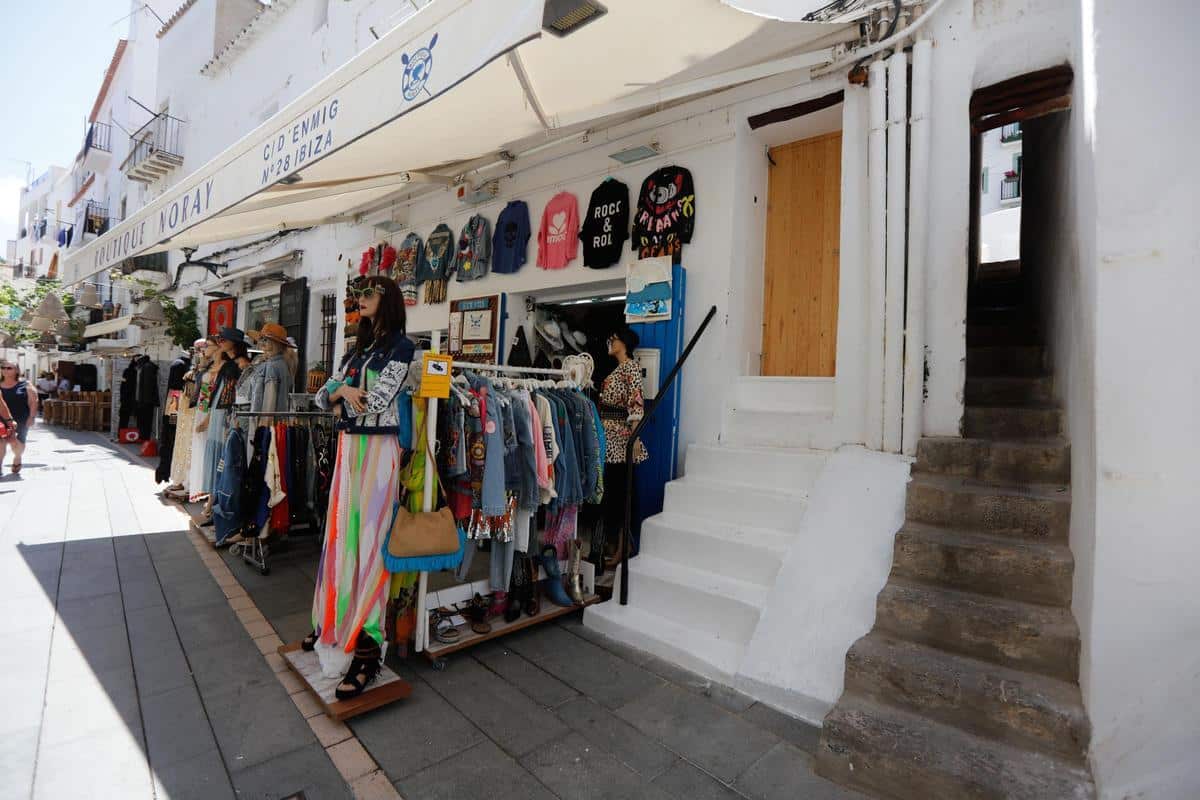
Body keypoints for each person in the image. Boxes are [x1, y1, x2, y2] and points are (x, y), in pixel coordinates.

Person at [306, 275, 415, 700]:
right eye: (359, 295)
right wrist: (342, 389)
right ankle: (336, 620)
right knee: (341, 536)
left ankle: (367, 644)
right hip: (350, 448)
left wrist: (344, 391)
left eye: (368, 294)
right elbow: (322, 398)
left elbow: (378, 401)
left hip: (377, 450)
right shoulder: (358, 350)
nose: (361, 301)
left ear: (386, 300)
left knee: (368, 541)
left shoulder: (402, 349)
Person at [598, 326, 648, 567]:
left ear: (623, 343)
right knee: (614, 493)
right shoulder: (618, 369)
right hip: (609, 436)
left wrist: (635, 439)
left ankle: (623, 546)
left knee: (621, 494)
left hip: (620, 439)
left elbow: (636, 404)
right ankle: (619, 544)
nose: (610, 341)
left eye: (613, 338)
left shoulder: (631, 368)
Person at [0, 361, 37, 474]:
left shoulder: (25, 384)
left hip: (20, 418)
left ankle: (17, 457)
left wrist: (32, 417)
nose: (5, 370)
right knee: (1, 441)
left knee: (16, 442)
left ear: (16, 370)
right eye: (3, 367)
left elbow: (33, 401)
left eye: (9, 368)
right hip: (1, 418)